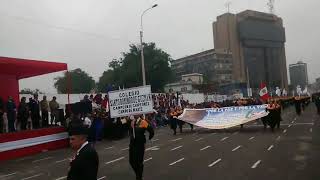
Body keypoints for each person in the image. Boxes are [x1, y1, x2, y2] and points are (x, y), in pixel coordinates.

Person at [129, 115, 154, 180]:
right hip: (132, 144)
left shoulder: (143, 122)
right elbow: (122, 123)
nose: (135, 114)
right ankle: (138, 174)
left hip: (140, 145)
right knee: (131, 161)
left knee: (139, 162)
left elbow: (151, 130)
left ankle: (139, 177)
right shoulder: (131, 121)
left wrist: (149, 138)